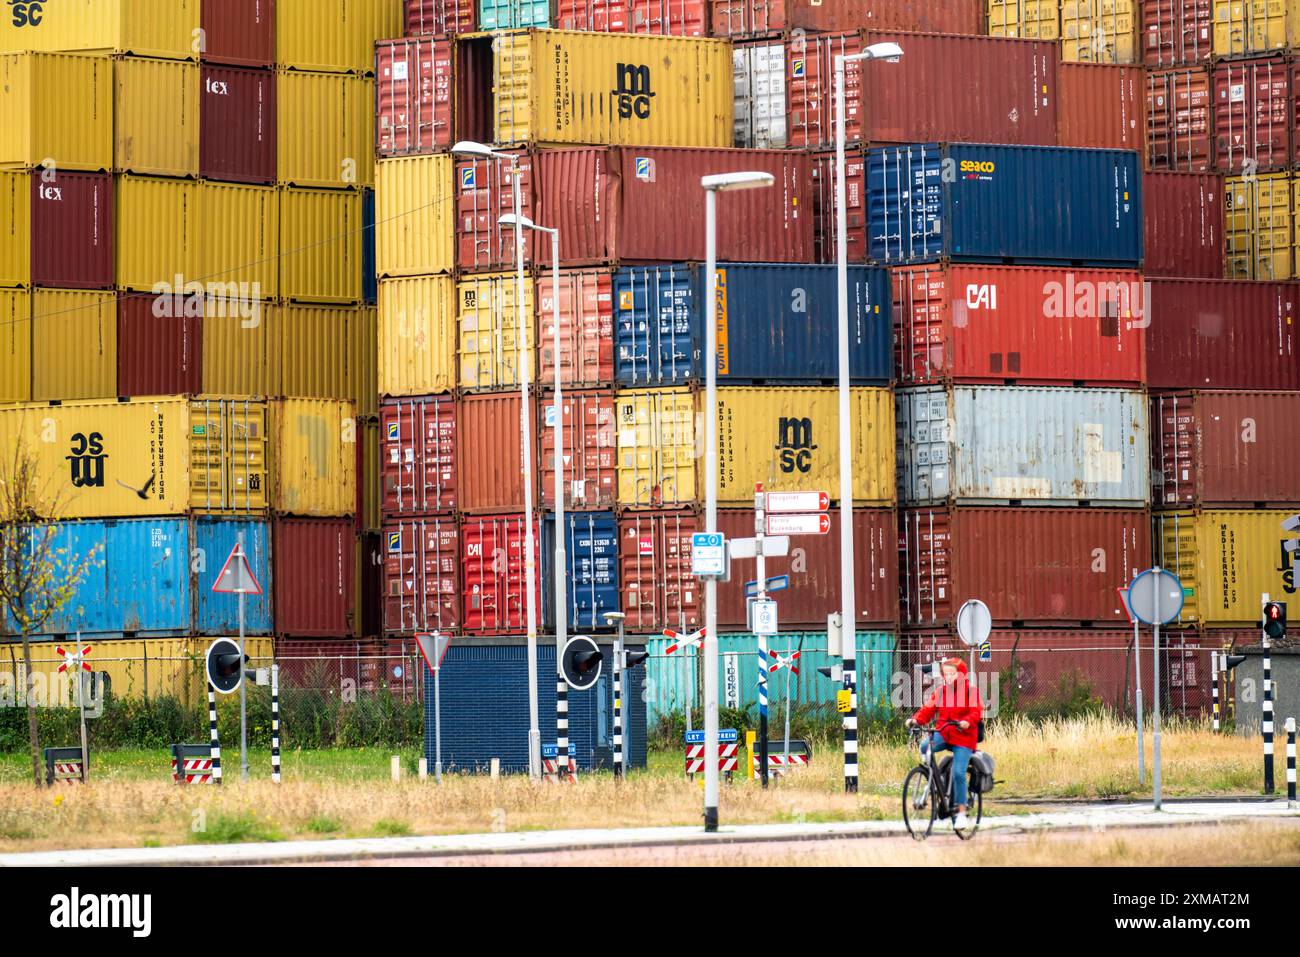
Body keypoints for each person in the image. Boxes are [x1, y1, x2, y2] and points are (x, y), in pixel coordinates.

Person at [907, 656, 983, 831]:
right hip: (944, 733)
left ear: (961, 674)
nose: (948, 677)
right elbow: (928, 709)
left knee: (958, 773)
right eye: (945, 674)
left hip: (963, 737)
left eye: (952, 674)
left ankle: (961, 813)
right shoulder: (940, 691)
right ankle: (934, 778)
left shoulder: (971, 691)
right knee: (925, 746)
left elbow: (976, 711)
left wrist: (967, 722)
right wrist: (915, 720)